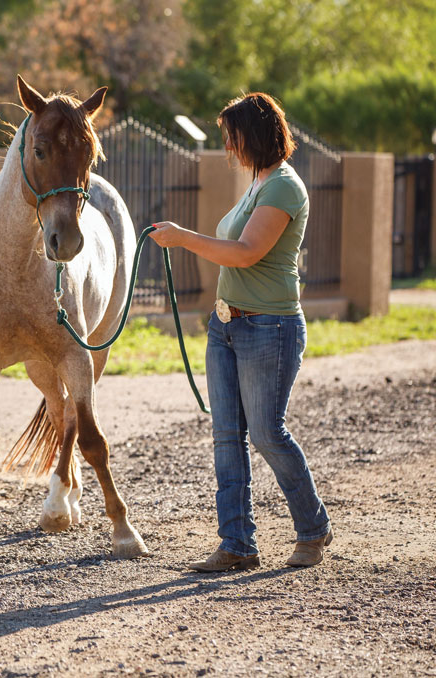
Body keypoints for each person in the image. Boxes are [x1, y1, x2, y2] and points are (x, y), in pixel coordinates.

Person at [149, 92, 332, 571]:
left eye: (232, 138)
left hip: (269, 328)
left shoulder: (285, 188)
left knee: (268, 434)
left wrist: (182, 237)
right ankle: (237, 545)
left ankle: (313, 530)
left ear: (254, 135)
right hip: (226, 326)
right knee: (227, 436)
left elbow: (247, 251)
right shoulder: (256, 182)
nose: (228, 148)